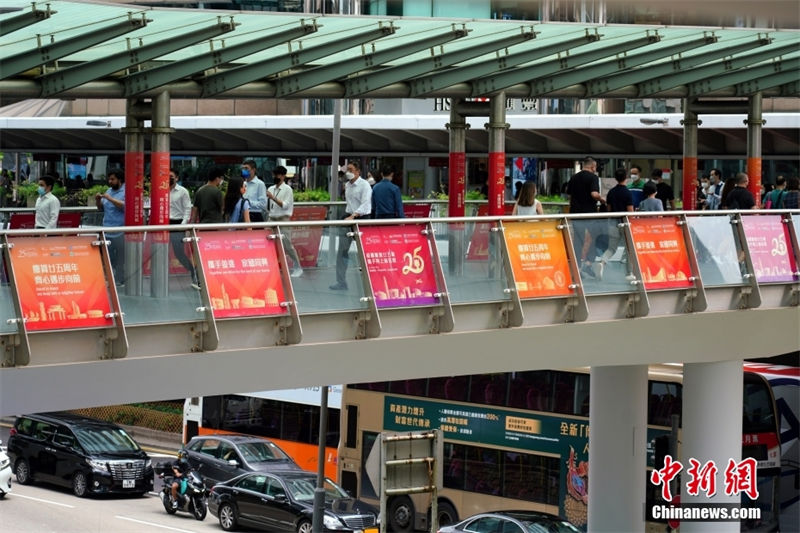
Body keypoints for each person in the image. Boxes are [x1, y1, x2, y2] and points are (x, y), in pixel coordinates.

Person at [329, 161, 371, 291]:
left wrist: (354, 216)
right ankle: (341, 281)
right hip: (348, 218)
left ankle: (369, 280)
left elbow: (365, 204)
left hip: (361, 218)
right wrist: (348, 216)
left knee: (364, 252)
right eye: (348, 170)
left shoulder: (365, 185)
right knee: (342, 251)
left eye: (351, 170)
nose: (349, 172)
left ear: (358, 171)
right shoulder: (347, 185)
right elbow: (349, 204)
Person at [566, 156, 605, 278]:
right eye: (595, 167)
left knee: (578, 241)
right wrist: (602, 199)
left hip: (575, 213)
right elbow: (594, 194)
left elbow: (569, 196)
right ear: (593, 166)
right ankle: (588, 263)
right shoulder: (593, 177)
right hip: (589, 213)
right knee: (595, 237)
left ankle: (577, 268)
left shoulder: (574, 177)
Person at [595, 168, 634, 280]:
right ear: (626, 177)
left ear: (616, 178)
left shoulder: (611, 192)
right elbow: (630, 211)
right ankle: (629, 273)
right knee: (629, 249)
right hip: (625, 223)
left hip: (613, 223)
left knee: (611, 248)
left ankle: (602, 263)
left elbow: (609, 209)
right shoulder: (627, 193)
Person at [267, 166, 303, 277]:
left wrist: (273, 198)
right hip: (271, 218)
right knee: (267, 242)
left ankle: (298, 267)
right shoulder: (271, 188)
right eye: (274, 175)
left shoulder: (288, 189)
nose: (275, 177)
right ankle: (270, 266)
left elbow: (285, 205)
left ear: (283, 176)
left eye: (277, 175)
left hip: (283, 219)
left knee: (287, 244)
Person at [168, 168, 199, 289]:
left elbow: (187, 209)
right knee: (162, 251)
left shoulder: (183, 191)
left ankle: (194, 272)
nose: (169, 179)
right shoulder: (161, 190)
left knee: (178, 252)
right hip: (164, 223)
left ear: (176, 178)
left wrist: (183, 225)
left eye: (171, 176)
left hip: (178, 223)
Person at [96, 169, 126, 286]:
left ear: (119, 180)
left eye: (113, 179)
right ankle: (111, 276)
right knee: (108, 256)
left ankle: (119, 279)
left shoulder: (125, 192)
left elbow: (124, 207)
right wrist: (98, 200)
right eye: (109, 179)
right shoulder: (109, 190)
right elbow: (100, 208)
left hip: (120, 229)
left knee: (120, 257)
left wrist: (110, 199)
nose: (110, 181)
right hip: (107, 229)